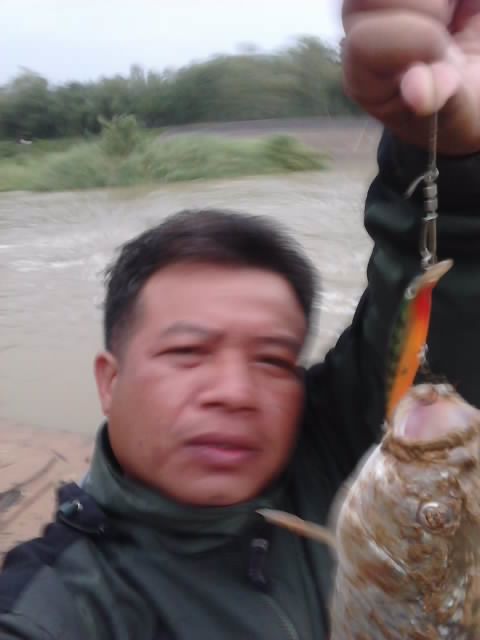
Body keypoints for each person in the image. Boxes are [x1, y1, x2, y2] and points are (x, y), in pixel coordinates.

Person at [1, 1, 479, 638]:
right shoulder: (54, 606)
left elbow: (433, 305)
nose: (234, 394)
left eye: (273, 360)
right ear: (109, 381)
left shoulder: (341, 449)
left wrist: (452, 155)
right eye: (187, 353)